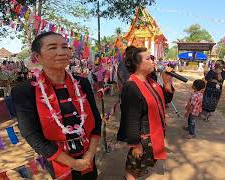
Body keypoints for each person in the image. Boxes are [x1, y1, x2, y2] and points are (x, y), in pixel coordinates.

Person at [11, 32, 102, 180]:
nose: (61, 52)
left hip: (87, 155)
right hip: (57, 158)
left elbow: (96, 120)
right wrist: (72, 163)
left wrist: (90, 154)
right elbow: (32, 135)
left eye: (65, 47)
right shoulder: (24, 91)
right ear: (37, 57)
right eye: (53, 47)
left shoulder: (82, 83)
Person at [117, 47, 173, 180]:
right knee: (133, 169)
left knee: (142, 166)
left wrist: (166, 82)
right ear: (138, 65)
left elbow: (165, 100)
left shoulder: (150, 81)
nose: (153, 61)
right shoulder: (132, 86)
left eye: (152, 58)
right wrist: (136, 145)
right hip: (143, 138)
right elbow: (131, 119)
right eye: (148, 59)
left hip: (154, 135)